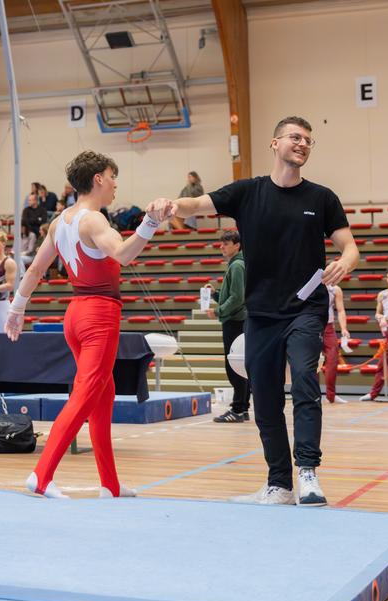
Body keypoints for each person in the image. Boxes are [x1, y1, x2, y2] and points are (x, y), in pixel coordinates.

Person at [146, 116, 359, 506]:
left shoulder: (322, 198)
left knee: (306, 385)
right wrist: (171, 204)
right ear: (274, 143)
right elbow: (198, 203)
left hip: (305, 309)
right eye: (295, 137)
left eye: (309, 140)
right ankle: (278, 482)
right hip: (260, 314)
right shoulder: (247, 192)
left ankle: (308, 472)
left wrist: (347, 259)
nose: (303, 144)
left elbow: (351, 246)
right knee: (264, 398)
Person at [5, 150, 171, 499]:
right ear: (98, 178)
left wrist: (17, 307)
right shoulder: (94, 220)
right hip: (99, 315)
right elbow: (124, 255)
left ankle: (109, 484)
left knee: (102, 394)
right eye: (112, 177)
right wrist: (150, 223)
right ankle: (41, 474)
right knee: (84, 396)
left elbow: (36, 270)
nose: (115, 185)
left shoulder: (59, 221)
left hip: (75, 314)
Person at [206, 229, 251, 422]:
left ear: (237, 245)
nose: (221, 247)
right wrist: (216, 294)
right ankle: (242, 408)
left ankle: (239, 409)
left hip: (236, 321)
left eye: (225, 243)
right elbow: (233, 294)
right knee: (238, 365)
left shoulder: (237, 266)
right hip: (237, 320)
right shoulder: (236, 264)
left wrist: (218, 311)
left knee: (235, 366)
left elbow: (237, 298)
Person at [360, 267, 388, 401]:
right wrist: (380, 318)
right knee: (383, 363)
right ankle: (373, 393)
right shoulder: (382, 295)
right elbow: (377, 313)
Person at [322, 285, 350, 403]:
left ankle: (331, 395)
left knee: (333, 360)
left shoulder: (335, 289)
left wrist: (344, 328)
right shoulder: (310, 285)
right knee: (311, 362)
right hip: (311, 327)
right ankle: (311, 395)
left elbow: (341, 310)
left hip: (329, 328)